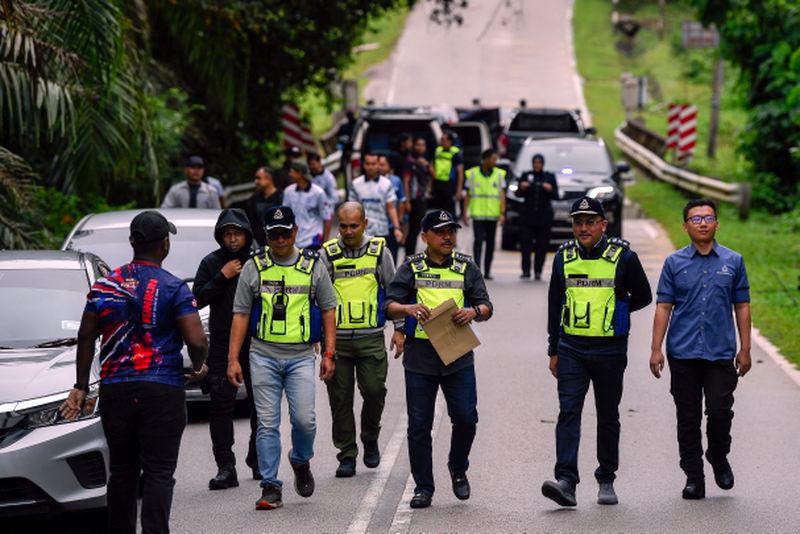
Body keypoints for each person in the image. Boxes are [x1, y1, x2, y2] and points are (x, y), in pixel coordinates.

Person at [60, 211, 209, 534]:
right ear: (165, 244)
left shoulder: (105, 285)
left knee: (123, 471)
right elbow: (196, 339)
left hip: (116, 390)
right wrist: (199, 367)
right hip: (162, 390)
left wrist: (81, 385)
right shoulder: (173, 287)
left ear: (132, 242)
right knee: (158, 472)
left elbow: (86, 336)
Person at [542, 196, 651, 508]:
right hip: (571, 347)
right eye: (578, 222)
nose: (583, 227)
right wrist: (553, 349)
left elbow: (643, 295)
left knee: (608, 414)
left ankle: (606, 478)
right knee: (569, 412)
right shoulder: (563, 257)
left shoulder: (623, 257)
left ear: (604, 225)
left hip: (610, 349)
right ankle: (566, 481)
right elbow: (554, 304)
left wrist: (620, 304)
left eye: (590, 222)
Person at [226, 205, 337, 511]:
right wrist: (233, 358)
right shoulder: (254, 266)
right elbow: (241, 313)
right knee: (267, 423)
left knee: (305, 420)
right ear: (266, 235)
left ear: (295, 232)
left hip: (301, 356)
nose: (279, 239)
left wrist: (329, 353)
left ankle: (300, 460)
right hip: (262, 355)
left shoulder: (313, 265)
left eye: (285, 233)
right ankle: (271, 486)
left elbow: (328, 308)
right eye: (273, 234)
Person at [386, 209, 493, 509]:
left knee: (466, 417)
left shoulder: (466, 266)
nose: (448, 236)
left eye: (451, 231)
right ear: (425, 237)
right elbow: (388, 304)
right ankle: (423, 487)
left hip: (457, 353)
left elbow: (486, 305)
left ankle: (458, 467)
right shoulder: (412, 267)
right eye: (440, 231)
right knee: (419, 424)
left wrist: (474, 312)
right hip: (421, 356)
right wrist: (406, 310)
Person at [649, 198, 751, 500]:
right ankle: (693, 477)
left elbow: (742, 305)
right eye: (696, 219)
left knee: (720, 412)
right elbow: (664, 306)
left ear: (717, 223)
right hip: (683, 353)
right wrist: (656, 349)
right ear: (685, 226)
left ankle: (718, 456)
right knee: (688, 417)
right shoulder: (674, 263)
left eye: (708, 218)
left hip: (720, 353)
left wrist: (745, 349)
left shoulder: (733, 261)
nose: (703, 223)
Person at [320, 202, 405, 477]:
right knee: (340, 400)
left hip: (370, 338)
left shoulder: (379, 252)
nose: (348, 231)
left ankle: (370, 437)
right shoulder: (327, 255)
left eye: (354, 225)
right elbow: (318, 298)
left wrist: (400, 328)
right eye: (343, 226)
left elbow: (393, 293)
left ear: (365, 224)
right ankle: (347, 453)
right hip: (338, 341)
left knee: (374, 391)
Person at [193, 208, 259, 489]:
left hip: (257, 342)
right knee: (221, 406)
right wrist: (222, 276)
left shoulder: (259, 260)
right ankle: (225, 466)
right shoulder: (212, 262)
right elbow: (197, 299)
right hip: (221, 343)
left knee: (261, 406)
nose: (232, 239)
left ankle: (259, 459)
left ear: (246, 234)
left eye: (237, 233)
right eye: (227, 234)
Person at [464, 149, 506, 280]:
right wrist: (465, 212)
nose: (495, 162)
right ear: (485, 159)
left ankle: (487, 271)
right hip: (478, 215)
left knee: (491, 244)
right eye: (493, 159)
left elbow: (502, 195)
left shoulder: (499, 174)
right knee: (478, 243)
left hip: (492, 215)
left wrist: (502, 212)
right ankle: (477, 271)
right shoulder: (472, 174)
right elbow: (468, 195)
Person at [348, 152, 404, 248]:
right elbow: (352, 208)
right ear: (363, 164)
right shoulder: (356, 184)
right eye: (367, 164)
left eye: (373, 164)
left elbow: (391, 207)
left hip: (381, 231)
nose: (370, 167)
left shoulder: (386, 184)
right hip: (362, 232)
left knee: (382, 261)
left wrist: (397, 228)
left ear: (378, 165)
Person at [517, 153, 558, 280]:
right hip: (528, 217)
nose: (537, 165)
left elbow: (557, 195)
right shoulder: (526, 175)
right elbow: (518, 193)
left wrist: (550, 189)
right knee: (526, 245)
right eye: (535, 163)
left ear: (542, 164)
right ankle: (526, 270)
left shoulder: (549, 177)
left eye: (539, 163)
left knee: (542, 246)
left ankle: (538, 271)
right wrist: (521, 187)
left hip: (543, 217)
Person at [282, 161, 332, 249]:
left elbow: (327, 218)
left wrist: (325, 243)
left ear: (299, 173)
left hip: (314, 241)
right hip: (295, 242)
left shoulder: (318, 192)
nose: (289, 174)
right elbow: (285, 216)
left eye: (292, 171)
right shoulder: (288, 192)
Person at [231, 167, 283, 247]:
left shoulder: (281, 197)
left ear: (268, 178)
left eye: (258, 178)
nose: (256, 181)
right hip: (258, 243)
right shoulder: (255, 198)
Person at [404, 137, 433, 256]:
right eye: (418, 145)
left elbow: (433, 175)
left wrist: (427, 165)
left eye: (423, 145)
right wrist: (407, 200)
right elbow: (406, 181)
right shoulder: (410, 161)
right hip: (413, 199)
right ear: (413, 146)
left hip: (422, 199)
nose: (420, 147)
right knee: (411, 230)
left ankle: (411, 255)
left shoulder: (425, 161)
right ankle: (408, 256)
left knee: (417, 229)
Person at [378, 153, 408, 262]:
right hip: (375, 228)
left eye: (383, 164)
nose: (380, 167)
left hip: (391, 226)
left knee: (392, 257)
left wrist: (399, 223)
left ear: (389, 166)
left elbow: (401, 202)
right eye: (378, 164)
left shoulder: (396, 181)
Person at [430, 131, 464, 215]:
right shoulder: (437, 151)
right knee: (438, 210)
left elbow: (460, 172)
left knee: (450, 210)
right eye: (441, 139)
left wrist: (459, 189)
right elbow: (432, 164)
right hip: (438, 183)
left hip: (449, 184)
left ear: (450, 141)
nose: (441, 141)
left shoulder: (455, 153)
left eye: (443, 140)